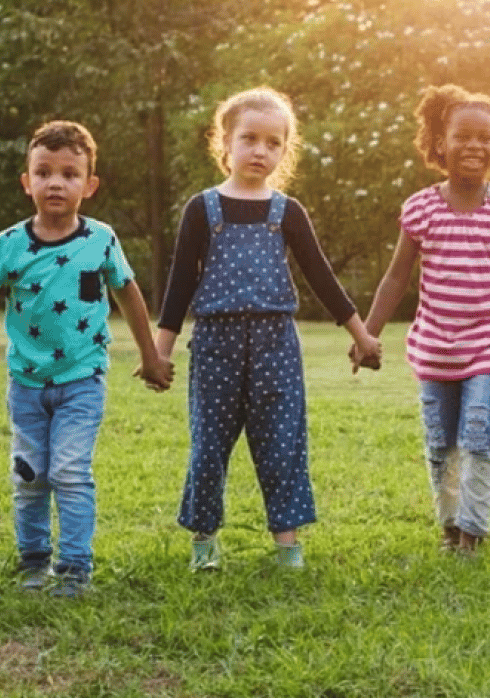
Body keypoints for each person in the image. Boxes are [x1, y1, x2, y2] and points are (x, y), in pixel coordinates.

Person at [155, 87, 381, 571]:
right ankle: (204, 541)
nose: (261, 150)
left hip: (276, 343)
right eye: (249, 138)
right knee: (209, 444)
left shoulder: (288, 212)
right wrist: (161, 353)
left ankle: (287, 545)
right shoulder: (202, 209)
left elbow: (322, 277)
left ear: (285, 150)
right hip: (216, 342)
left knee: (281, 442)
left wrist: (361, 335)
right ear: (225, 143)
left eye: (274, 142)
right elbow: (178, 286)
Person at [0, 121, 174, 597]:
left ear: (89, 186)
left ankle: (74, 570)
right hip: (27, 384)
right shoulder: (10, 244)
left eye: (70, 174)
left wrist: (151, 357)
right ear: (27, 182)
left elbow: (129, 295)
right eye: (44, 172)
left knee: (71, 471)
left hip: (83, 381)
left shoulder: (101, 241)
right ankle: (33, 562)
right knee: (30, 474)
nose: (56, 182)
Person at [360, 84, 490, 555]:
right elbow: (395, 279)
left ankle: (473, 533)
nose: (475, 146)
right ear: (439, 142)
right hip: (435, 347)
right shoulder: (422, 208)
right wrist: (367, 334)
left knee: (480, 433)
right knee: (442, 443)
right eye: (463, 136)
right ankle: (449, 526)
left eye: (485, 138)